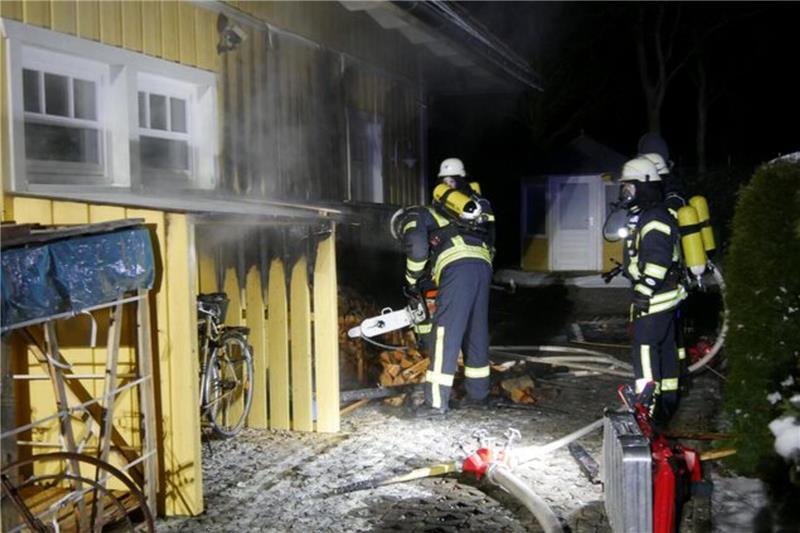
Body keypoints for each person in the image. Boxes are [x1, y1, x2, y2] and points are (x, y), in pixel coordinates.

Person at [392, 157, 495, 417]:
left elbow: (417, 248)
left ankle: (436, 403)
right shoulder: (478, 209)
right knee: (476, 330)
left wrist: (412, 279)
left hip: (457, 268)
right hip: (483, 266)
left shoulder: (421, 213)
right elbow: (492, 239)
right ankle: (479, 396)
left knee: (444, 334)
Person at [619, 156, 687, 426]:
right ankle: (666, 403)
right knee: (666, 349)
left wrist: (644, 290)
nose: (625, 193)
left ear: (644, 186)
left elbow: (658, 259)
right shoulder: (650, 214)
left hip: (655, 299)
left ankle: (646, 408)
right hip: (665, 298)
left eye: (629, 187)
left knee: (645, 350)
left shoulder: (655, 217)